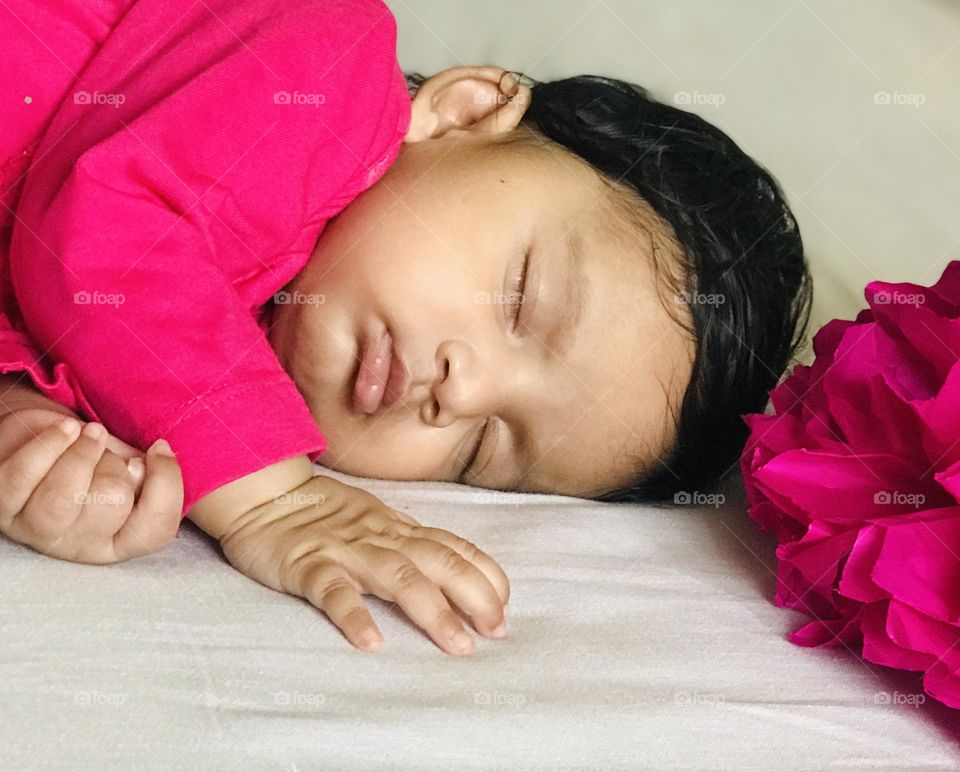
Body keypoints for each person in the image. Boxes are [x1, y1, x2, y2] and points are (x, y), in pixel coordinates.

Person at [0, 0, 811, 657]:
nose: (459, 391)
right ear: (462, 113)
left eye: (482, 450)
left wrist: (29, 433)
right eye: (521, 301)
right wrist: (270, 500)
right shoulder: (324, 71)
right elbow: (102, 237)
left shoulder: (185, 373)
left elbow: (77, 318)